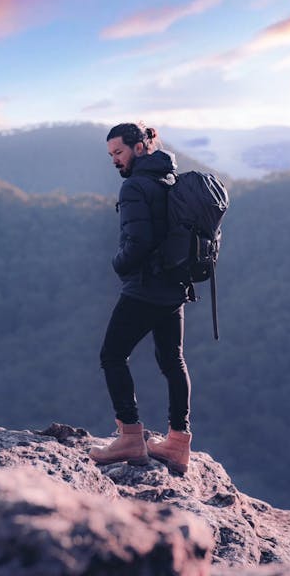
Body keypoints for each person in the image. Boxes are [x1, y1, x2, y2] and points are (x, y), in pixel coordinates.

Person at [89, 122, 192, 474]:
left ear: (139, 147)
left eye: (118, 152)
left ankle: (131, 436)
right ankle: (178, 444)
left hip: (145, 287)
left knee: (113, 355)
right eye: (111, 155)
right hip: (175, 287)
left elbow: (139, 243)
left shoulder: (135, 186)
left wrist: (118, 264)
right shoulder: (171, 178)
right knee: (172, 361)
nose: (115, 161)